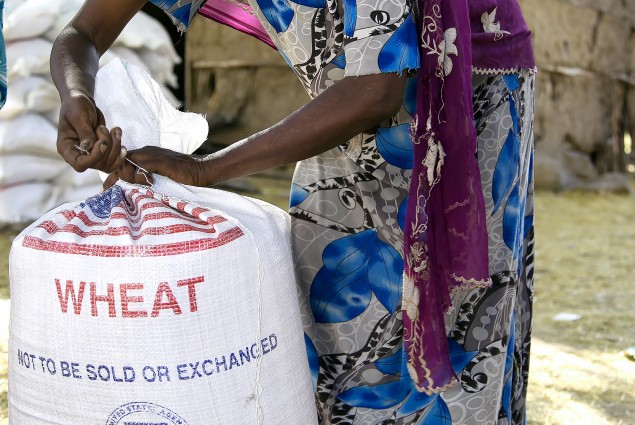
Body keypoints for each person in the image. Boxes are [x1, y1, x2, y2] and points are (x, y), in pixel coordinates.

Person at [50, 0, 536, 423]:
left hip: (457, 99)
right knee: (328, 331)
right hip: (344, 108)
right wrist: (77, 95)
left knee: (444, 334)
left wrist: (205, 169)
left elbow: (376, 89)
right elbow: (83, 33)